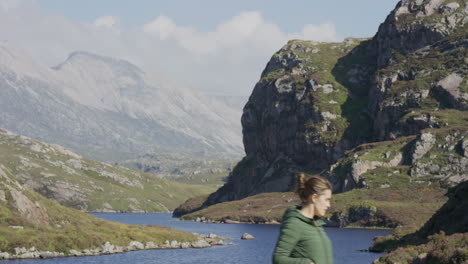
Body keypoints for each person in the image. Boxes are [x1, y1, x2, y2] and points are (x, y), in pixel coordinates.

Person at [272, 173, 333, 264]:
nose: (329, 205)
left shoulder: (316, 224)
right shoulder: (294, 224)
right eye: (326, 200)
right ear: (314, 198)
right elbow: (278, 259)